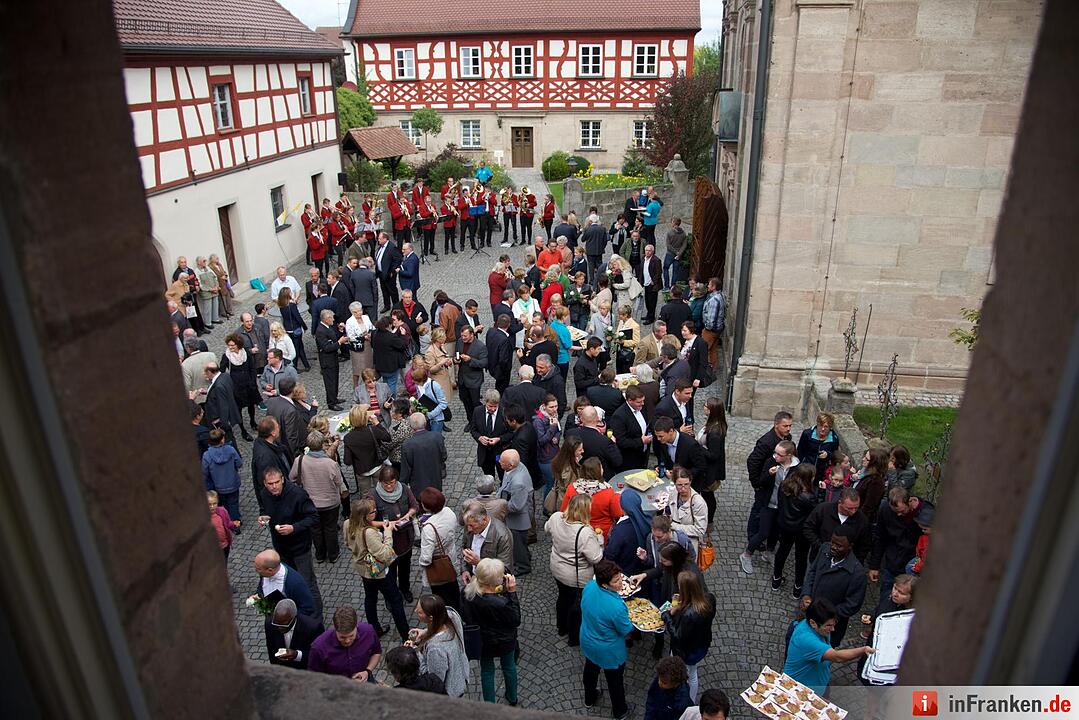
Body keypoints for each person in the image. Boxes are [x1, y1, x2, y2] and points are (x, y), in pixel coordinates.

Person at [343, 497, 411, 640]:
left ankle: (375, 628)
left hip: (363, 570)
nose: (376, 513)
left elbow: (347, 543)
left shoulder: (347, 524)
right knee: (396, 600)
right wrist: (387, 532)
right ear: (365, 516)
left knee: (370, 597)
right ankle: (406, 636)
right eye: (373, 512)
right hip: (379, 573)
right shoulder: (369, 533)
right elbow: (385, 554)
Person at [258, 467, 323, 614]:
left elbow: (313, 517)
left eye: (276, 482)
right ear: (265, 483)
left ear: (282, 480)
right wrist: (263, 517)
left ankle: (315, 616)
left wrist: (294, 528)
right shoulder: (264, 494)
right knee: (288, 580)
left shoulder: (297, 494)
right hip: (281, 547)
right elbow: (264, 509)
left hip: (300, 547)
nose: (274, 487)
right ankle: (297, 610)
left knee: (308, 583)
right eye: (270, 484)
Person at [783, 599, 875, 695]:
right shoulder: (807, 640)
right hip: (801, 691)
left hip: (817, 684)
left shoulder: (818, 628)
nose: (833, 629)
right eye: (828, 625)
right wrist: (863, 650)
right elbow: (837, 657)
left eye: (833, 624)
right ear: (813, 623)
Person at [580, 559, 635, 720]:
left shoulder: (590, 587)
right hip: (609, 650)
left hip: (588, 640)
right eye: (616, 581)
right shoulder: (616, 607)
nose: (621, 583)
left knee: (590, 669)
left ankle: (589, 698)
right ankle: (620, 711)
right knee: (615, 681)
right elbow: (626, 629)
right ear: (605, 584)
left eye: (620, 578)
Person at [546, 494, 605, 646]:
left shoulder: (556, 517)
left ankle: (561, 627)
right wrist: (600, 540)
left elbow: (547, 528)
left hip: (557, 568)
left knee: (563, 598)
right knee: (576, 607)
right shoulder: (585, 532)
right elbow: (596, 558)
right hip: (576, 577)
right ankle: (574, 637)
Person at [461, 558, 520, 705]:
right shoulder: (500, 602)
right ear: (494, 583)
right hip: (505, 641)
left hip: (482, 641)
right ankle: (512, 697)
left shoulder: (467, 592)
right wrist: (511, 592)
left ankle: (489, 703)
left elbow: (466, 616)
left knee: (487, 671)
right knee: (509, 666)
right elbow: (515, 619)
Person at [740, 439, 799, 575]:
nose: (776, 456)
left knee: (776, 532)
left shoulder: (796, 467)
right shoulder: (771, 462)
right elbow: (761, 482)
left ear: (789, 455)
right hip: (768, 503)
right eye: (775, 453)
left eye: (779, 454)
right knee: (764, 532)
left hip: (783, 507)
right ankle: (747, 554)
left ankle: (769, 552)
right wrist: (769, 474)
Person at [801, 529, 867, 647]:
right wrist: (806, 594)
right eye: (833, 543)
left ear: (850, 546)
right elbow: (812, 572)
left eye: (839, 546)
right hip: (808, 616)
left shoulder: (857, 573)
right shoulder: (824, 549)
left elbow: (853, 604)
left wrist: (825, 614)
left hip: (830, 627)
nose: (833, 547)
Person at [289, 430, 347, 564]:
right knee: (330, 528)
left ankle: (320, 555)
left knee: (315, 529)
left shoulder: (300, 460)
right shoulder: (330, 464)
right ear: (322, 445)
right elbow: (339, 482)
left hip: (311, 503)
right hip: (330, 503)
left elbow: (292, 478)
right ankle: (333, 554)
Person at [366, 465, 420, 604]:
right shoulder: (373, 496)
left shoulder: (403, 489)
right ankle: (391, 598)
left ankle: (405, 589)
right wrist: (388, 524)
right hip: (386, 542)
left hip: (405, 538)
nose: (390, 486)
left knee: (405, 568)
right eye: (386, 484)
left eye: (392, 483)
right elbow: (367, 521)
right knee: (389, 573)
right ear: (380, 482)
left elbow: (414, 506)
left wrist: (407, 516)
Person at [868, 487, 931, 603]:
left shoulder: (924, 514)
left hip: (912, 565)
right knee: (887, 596)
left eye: (903, 511)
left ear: (910, 502)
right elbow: (880, 538)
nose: (899, 515)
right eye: (896, 512)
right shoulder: (885, 510)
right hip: (893, 562)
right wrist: (874, 565)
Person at [745, 410, 793, 553]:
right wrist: (756, 483)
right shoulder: (767, 442)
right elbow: (752, 461)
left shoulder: (786, 438)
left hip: (775, 485)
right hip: (764, 484)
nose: (788, 429)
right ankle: (753, 537)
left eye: (790, 425)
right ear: (776, 425)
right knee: (758, 510)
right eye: (785, 426)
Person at [771, 463, 818, 596]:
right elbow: (814, 513)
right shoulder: (808, 496)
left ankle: (776, 579)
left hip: (786, 526)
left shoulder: (785, 486)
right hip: (801, 531)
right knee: (801, 557)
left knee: (782, 551)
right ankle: (798, 587)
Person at [411, 594, 470, 696]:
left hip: (451, 692)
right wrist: (426, 632)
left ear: (430, 618)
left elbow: (434, 679)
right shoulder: (451, 615)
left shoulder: (436, 649)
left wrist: (415, 652)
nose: (415, 611)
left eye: (420, 612)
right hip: (461, 674)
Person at [309, 606, 383, 681]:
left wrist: (367, 671)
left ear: (356, 626)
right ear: (335, 628)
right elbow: (315, 676)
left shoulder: (368, 632)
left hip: (365, 679)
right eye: (342, 637)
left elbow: (376, 653)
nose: (347, 641)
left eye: (351, 636)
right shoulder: (318, 647)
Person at [803, 488, 872, 562]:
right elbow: (808, 528)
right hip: (818, 558)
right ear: (840, 502)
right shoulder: (824, 509)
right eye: (849, 508)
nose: (853, 512)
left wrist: (856, 562)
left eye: (856, 508)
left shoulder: (862, 520)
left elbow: (864, 544)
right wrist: (821, 546)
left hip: (845, 564)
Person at [496, 448, 533, 576]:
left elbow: (516, 506)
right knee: (520, 543)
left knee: (517, 544)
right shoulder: (517, 466)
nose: (499, 462)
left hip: (517, 521)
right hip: (516, 518)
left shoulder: (518, 482)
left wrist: (499, 506)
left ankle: (523, 566)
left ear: (510, 465)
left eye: (502, 461)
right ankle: (526, 556)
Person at [253, 549, 317, 620]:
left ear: (270, 570)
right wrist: (258, 596)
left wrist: (287, 618)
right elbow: (261, 587)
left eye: (258, 569)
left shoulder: (295, 583)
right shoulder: (264, 573)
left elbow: (308, 608)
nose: (256, 571)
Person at [342, 404, 390, 495]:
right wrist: (377, 424)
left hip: (362, 471)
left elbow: (347, 461)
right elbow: (387, 437)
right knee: (381, 492)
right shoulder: (372, 430)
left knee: (366, 495)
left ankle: (369, 509)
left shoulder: (348, 438)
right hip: (377, 466)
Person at [221, 333, 261, 441]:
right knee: (238, 409)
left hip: (249, 384)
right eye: (229, 345)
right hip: (236, 387)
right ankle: (243, 430)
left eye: (233, 345)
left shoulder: (246, 353)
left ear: (238, 344)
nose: (230, 347)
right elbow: (221, 371)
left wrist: (253, 381)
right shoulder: (227, 356)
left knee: (251, 405)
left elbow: (252, 368)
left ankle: (253, 422)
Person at [460, 504, 514, 584]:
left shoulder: (502, 535)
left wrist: (479, 563)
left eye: (472, 525)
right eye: (467, 525)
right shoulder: (469, 525)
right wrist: (465, 570)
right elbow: (464, 548)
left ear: (484, 520)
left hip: (491, 584)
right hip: (474, 579)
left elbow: (505, 569)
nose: (468, 529)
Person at [202, 428, 243, 530]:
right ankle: (236, 523)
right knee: (233, 503)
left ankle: (227, 521)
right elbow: (239, 463)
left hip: (218, 486)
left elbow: (204, 472)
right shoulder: (231, 450)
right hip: (233, 483)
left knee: (224, 505)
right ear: (222, 440)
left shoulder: (207, 455)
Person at [566, 406, 622, 480]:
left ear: (581, 419)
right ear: (597, 419)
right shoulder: (605, 441)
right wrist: (613, 443)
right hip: (600, 478)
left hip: (578, 476)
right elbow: (618, 461)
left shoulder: (570, 433)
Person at [265, 598, 323, 670]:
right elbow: (271, 650)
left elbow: (318, 656)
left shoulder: (313, 628)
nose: (279, 628)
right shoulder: (270, 623)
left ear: (294, 617)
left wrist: (296, 655)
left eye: (284, 625)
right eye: (277, 624)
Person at [652, 418, 707, 491]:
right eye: (657, 436)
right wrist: (660, 468)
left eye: (661, 436)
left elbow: (700, 467)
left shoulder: (690, 444)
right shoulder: (663, 442)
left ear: (671, 431)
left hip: (689, 487)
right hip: (671, 486)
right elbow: (664, 460)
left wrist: (681, 476)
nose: (658, 439)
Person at [400, 413, 448, 494]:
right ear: (425, 423)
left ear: (411, 426)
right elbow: (444, 456)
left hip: (418, 485)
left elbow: (406, 470)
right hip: (436, 479)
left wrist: (402, 486)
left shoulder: (407, 445)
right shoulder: (437, 437)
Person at [667, 466, 708, 553]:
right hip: (671, 541)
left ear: (690, 482)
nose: (683, 488)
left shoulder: (698, 503)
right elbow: (667, 511)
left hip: (689, 545)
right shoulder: (674, 493)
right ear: (674, 483)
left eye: (686, 484)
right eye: (679, 485)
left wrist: (674, 526)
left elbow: (700, 530)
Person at [454, 325, 488, 427]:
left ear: (472, 334)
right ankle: (471, 421)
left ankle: (479, 422)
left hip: (474, 380)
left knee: (475, 403)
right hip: (462, 379)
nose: (463, 338)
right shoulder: (459, 341)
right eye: (462, 336)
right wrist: (457, 359)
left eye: (465, 336)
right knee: (465, 401)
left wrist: (470, 360)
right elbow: (457, 353)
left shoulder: (480, 346)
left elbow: (484, 363)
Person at [314, 309, 347, 411]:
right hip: (327, 361)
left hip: (333, 359)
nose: (333, 319)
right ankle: (331, 403)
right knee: (330, 382)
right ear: (327, 319)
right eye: (332, 317)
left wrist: (340, 331)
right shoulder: (320, 331)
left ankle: (334, 398)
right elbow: (327, 347)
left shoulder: (328, 327)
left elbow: (334, 337)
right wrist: (339, 343)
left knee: (335, 380)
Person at [851, 447, 889, 525]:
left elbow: (868, 507)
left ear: (874, 463)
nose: (863, 459)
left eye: (866, 459)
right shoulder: (865, 472)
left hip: (857, 518)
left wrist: (856, 522)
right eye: (864, 456)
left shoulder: (876, 482)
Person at [343, 301, 374, 390]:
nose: (358, 313)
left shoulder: (366, 317)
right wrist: (364, 337)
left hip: (368, 346)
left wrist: (370, 335)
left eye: (360, 311)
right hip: (357, 348)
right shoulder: (350, 322)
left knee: (369, 366)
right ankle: (356, 386)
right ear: (352, 312)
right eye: (355, 312)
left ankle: (370, 383)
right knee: (358, 368)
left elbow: (372, 327)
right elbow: (351, 337)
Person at [207, 490, 236, 558]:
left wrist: (233, 524)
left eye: (214, 503)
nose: (212, 506)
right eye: (209, 504)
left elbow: (227, 523)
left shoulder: (222, 511)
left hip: (225, 544)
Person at [662, 217, 687, 290]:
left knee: (665, 268)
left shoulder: (670, 233)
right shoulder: (683, 234)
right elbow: (684, 245)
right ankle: (673, 286)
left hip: (670, 254)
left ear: (673, 223)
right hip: (678, 255)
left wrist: (676, 252)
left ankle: (666, 286)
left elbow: (668, 245)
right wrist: (679, 254)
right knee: (675, 271)